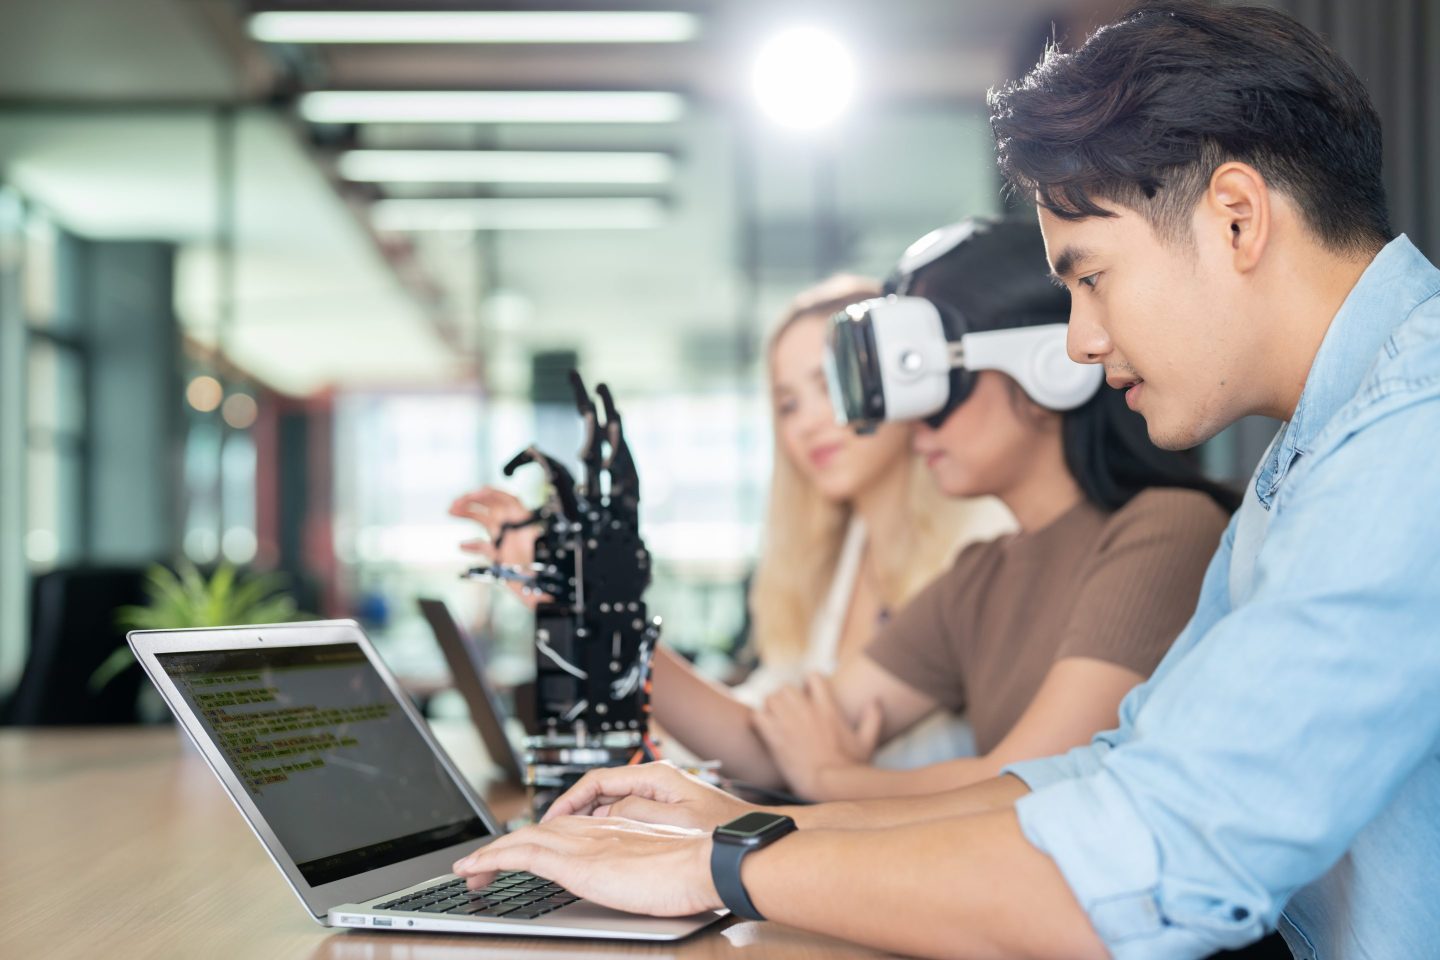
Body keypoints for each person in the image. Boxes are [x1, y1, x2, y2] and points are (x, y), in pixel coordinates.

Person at [447, 3, 1440, 958]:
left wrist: (721, 868)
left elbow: (1154, 862)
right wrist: (751, 829)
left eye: (1091, 276)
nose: (1084, 341)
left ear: (1235, 219)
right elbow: (1108, 776)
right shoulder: (1307, 466)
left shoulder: (1412, 434)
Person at [748, 217, 1237, 801]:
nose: (909, 424)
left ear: (1048, 370)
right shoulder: (980, 575)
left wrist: (834, 780)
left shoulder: (1166, 529)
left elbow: (1029, 785)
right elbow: (782, 736)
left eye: (938, 387)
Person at [451, 274, 1015, 781]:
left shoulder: (984, 544)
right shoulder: (843, 554)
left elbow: (766, 752)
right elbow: (761, 735)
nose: (810, 421)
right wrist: (583, 607)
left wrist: (603, 618)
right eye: (788, 404)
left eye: (832, 383)